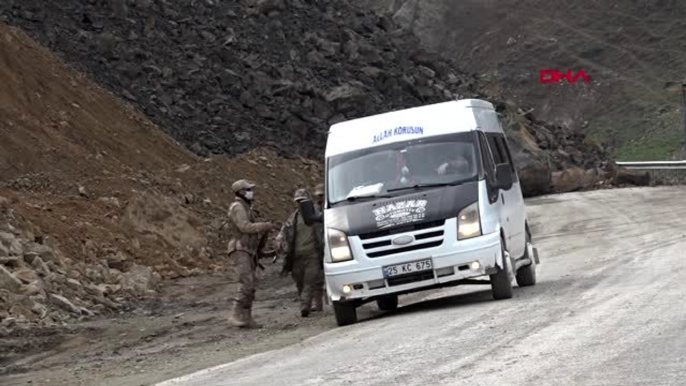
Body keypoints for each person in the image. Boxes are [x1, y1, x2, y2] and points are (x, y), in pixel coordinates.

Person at [227, 179, 279, 328]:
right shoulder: (237, 207)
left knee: (252, 285)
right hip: (240, 248)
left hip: (249, 250)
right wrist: (264, 225)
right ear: (241, 192)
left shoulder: (247, 208)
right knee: (247, 282)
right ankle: (235, 314)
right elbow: (244, 227)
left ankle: (247, 317)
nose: (251, 192)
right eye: (249, 189)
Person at [275, 188, 325, 317]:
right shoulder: (294, 217)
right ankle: (308, 304)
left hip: (312, 254)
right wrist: (280, 237)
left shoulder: (317, 213)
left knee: (310, 281)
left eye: (303, 201)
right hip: (297, 256)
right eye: (298, 201)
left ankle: (305, 306)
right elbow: (285, 229)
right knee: (299, 281)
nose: (300, 204)